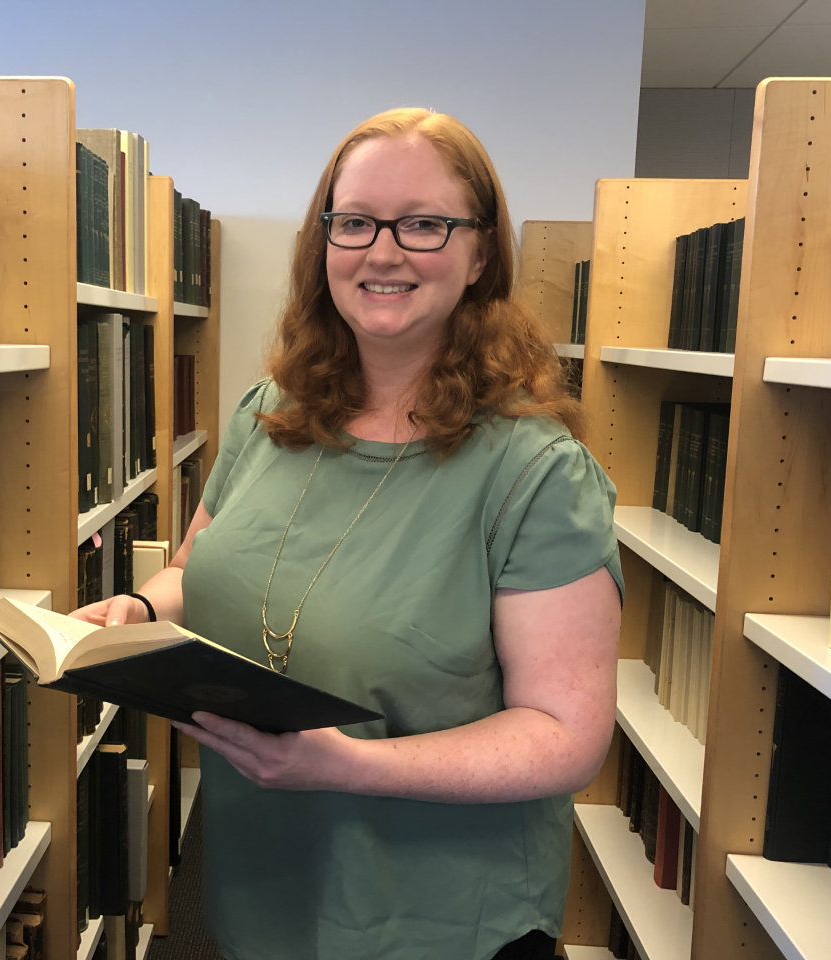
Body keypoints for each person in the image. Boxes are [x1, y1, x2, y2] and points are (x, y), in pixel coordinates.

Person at [73, 107, 622, 960]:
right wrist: (141, 610)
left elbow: (563, 735)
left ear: (481, 255)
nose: (383, 250)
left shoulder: (536, 473)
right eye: (356, 221)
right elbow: (197, 568)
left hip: (437, 922)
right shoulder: (269, 417)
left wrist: (353, 767)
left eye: (425, 224)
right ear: (322, 243)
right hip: (262, 883)